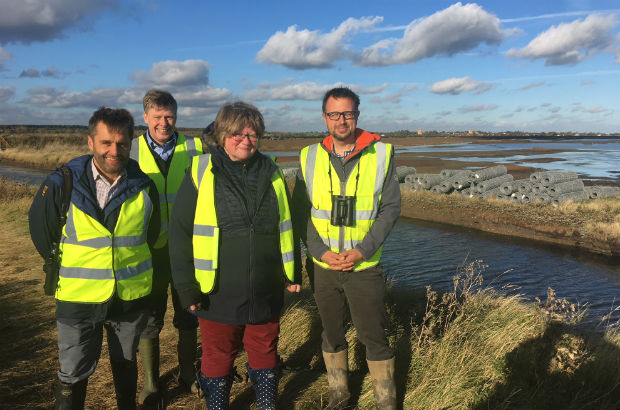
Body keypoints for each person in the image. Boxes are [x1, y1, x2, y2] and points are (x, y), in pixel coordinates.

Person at [168, 101, 301, 410]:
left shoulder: (273, 173)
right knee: (217, 353)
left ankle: (267, 404)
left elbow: (287, 225)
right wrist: (186, 287)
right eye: (237, 133)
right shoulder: (201, 171)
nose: (245, 139)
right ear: (222, 135)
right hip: (216, 289)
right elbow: (180, 233)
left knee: (266, 348)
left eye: (253, 133)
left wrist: (292, 273)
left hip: (265, 286)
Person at [29, 107, 160, 410]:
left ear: (130, 143)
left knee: (125, 362)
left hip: (128, 296)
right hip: (78, 297)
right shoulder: (62, 184)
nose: (114, 151)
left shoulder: (144, 186)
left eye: (122, 144)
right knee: (72, 370)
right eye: (106, 143)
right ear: (90, 143)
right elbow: (42, 233)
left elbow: (149, 235)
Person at [292, 87, 401, 409]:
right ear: (324, 117)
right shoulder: (308, 156)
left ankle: (386, 402)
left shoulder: (381, 154)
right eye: (334, 114)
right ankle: (340, 395)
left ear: (357, 114)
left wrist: (362, 251)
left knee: (374, 337)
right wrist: (319, 251)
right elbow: (301, 210)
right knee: (331, 332)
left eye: (348, 113)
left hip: (363, 267)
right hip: (323, 266)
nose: (342, 120)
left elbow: (390, 209)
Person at [129, 89, 203, 403]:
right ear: (145, 117)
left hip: (188, 250)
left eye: (169, 115)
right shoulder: (130, 150)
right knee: (149, 318)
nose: (164, 122)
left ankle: (188, 374)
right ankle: (151, 385)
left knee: (189, 312)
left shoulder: (196, 147)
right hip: (150, 251)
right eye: (157, 117)